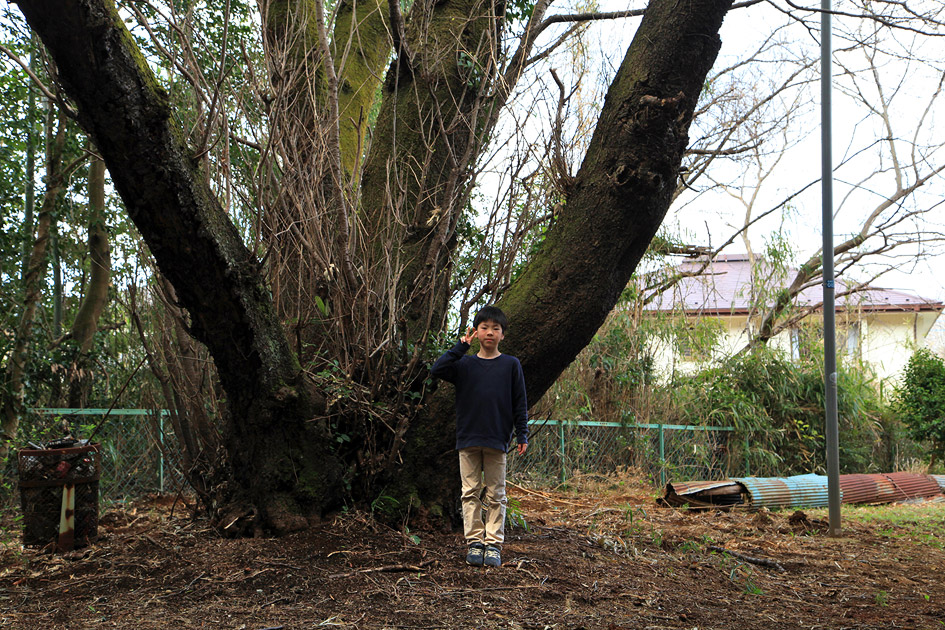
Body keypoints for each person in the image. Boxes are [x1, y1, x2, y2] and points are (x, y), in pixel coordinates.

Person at [430, 305, 528, 568]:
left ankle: (493, 543)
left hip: (497, 439)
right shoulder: (465, 364)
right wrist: (461, 346)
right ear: (476, 331)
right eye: (484, 327)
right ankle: (474, 541)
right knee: (470, 491)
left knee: (497, 493)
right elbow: (437, 369)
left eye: (495, 328)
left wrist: (522, 434)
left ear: (502, 335)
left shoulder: (510, 365)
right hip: (468, 438)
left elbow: (520, 402)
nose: (489, 332)